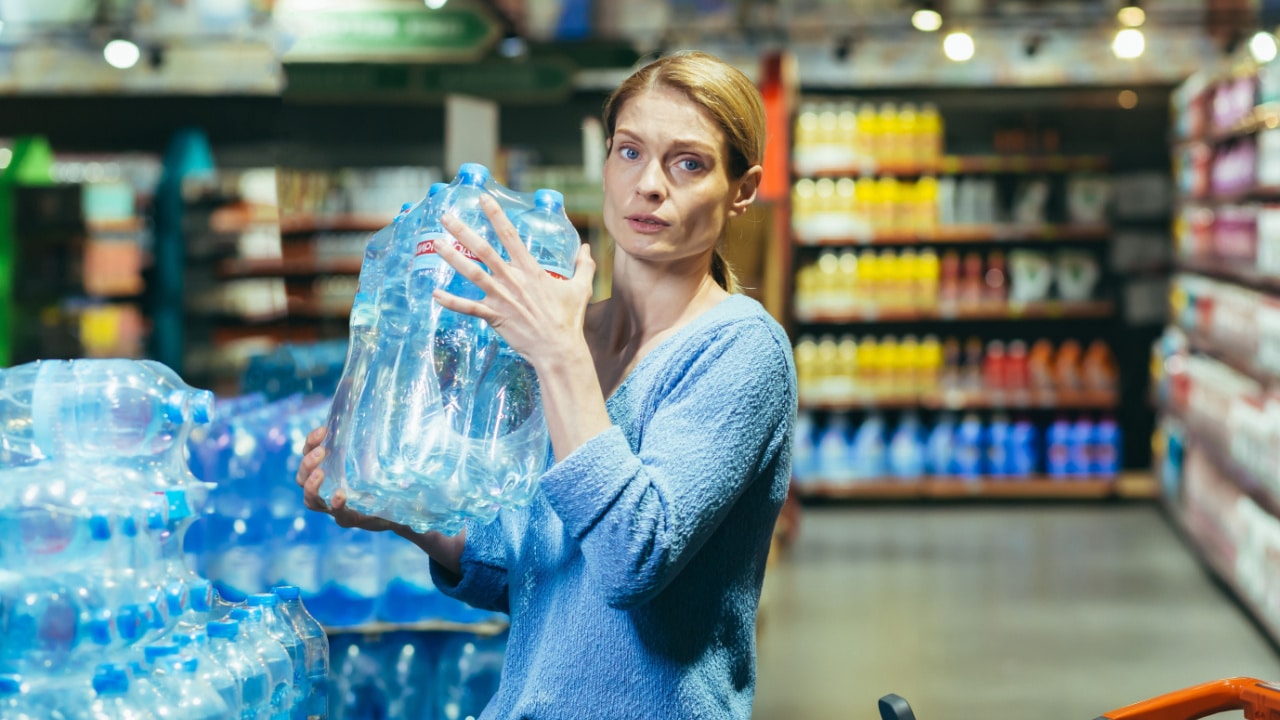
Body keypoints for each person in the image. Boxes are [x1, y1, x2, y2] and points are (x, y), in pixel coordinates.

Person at [297, 50, 797, 719]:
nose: (649, 185)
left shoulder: (740, 350)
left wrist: (557, 354)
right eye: (629, 152)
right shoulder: (572, 333)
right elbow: (531, 567)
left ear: (743, 188)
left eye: (689, 163)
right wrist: (401, 511)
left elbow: (632, 558)